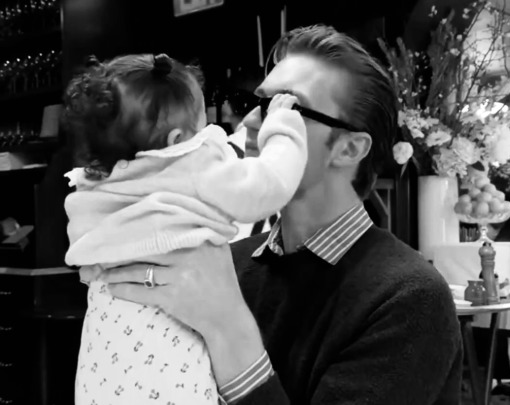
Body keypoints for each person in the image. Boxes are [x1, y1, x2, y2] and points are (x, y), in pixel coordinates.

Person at [96, 25, 463, 404]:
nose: (252, 122)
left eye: (286, 109)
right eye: (256, 104)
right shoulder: (224, 262)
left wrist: (228, 326)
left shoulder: (409, 298)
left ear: (349, 149)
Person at [63, 53, 307, 404]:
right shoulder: (192, 165)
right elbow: (270, 183)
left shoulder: (96, 183)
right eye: (202, 126)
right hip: (167, 340)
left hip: (107, 337)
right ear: (177, 139)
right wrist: (283, 125)